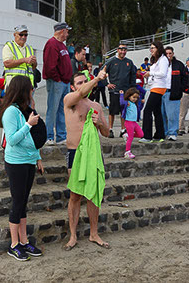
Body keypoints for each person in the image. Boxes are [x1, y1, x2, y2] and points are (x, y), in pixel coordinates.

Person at [0, 75, 44, 261]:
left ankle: (24, 241)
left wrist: (38, 158)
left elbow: (33, 140)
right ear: (23, 91)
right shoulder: (10, 112)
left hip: (29, 160)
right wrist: (28, 125)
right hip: (16, 162)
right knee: (17, 202)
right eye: (31, 89)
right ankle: (14, 244)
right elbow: (12, 139)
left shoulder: (24, 109)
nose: (32, 92)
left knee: (23, 202)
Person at [63, 69, 110, 251]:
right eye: (79, 82)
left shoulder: (96, 105)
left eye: (85, 81)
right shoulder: (70, 100)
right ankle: (73, 236)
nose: (83, 85)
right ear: (73, 87)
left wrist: (100, 123)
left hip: (93, 154)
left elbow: (106, 133)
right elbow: (82, 92)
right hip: (75, 152)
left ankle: (94, 233)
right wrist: (96, 78)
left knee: (93, 194)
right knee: (75, 195)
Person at [42, 22, 73, 145]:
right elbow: (50, 66)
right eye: (67, 31)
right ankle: (49, 136)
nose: (68, 34)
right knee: (53, 109)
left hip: (64, 82)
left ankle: (61, 136)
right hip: (56, 82)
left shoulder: (62, 45)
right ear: (62, 31)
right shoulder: (52, 44)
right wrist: (57, 79)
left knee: (62, 110)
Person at [139, 41, 169, 143]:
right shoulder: (158, 60)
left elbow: (163, 73)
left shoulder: (163, 59)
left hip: (158, 87)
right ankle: (160, 134)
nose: (151, 50)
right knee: (157, 112)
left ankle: (147, 136)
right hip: (155, 86)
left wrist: (150, 73)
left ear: (158, 48)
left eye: (153, 48)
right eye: (150, 48)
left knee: (147, 110)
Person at [105, 43, 136, 138]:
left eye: (125, 50)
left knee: (124, 111)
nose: (123, 51)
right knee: (112, 111)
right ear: (117, 50)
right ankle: (110, 129)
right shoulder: (111, 61)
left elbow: (133, 76)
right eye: (121, 49)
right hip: (114, 91)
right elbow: (102, 72)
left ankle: (123, 130)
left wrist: (132, 90)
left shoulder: (129, 62)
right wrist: (107, 84)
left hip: (126, 92)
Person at [161, 46, 186, 141]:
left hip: (172, 93)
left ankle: (172, 133)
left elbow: (185, 78)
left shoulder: (178, 65)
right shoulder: (161, 64)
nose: (168, 55)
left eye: (170, 53)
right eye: (166, 53)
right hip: (160, 92)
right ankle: (164, 132)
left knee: (172, 115)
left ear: (173, 54)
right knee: (162, 114)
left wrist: (180, 89)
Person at [120, 88, 144, 159]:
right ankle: (127, 152)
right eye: (134, 97)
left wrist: (142, 103)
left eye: (136, 98)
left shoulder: (134, 104)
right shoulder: (127, 103)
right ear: (129, 96)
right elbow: (121, 103)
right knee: (130, 138)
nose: (135, 99)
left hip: (134, 122)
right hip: (129, 122)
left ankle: (127, 135)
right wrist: (121, 95)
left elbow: (139, 109)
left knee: (141, 134)